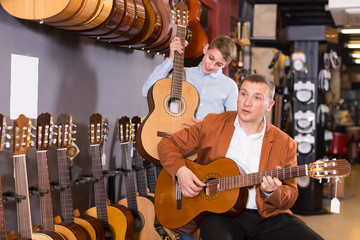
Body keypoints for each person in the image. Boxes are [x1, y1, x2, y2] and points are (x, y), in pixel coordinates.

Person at [157, 74, 323, 240]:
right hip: (219, 215)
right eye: (244, 94)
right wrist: (181, 171)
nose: (247, 102)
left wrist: (273, 192)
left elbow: (291, 194)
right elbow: (167, 144)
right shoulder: (213, 123)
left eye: (257, 97)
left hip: (268, 216)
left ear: (269, 105)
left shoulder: (285, 143)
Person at [142, 35, 238, 125]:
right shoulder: (181, 73)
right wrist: (171, 59)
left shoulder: (230, 86)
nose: (211, 66)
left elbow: (232, 123)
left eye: (219, 64)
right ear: (205, 49)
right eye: (210, 58)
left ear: (225, 65)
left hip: (207, 140)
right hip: (176, 135)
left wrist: (207, 126)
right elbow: (147, 91)